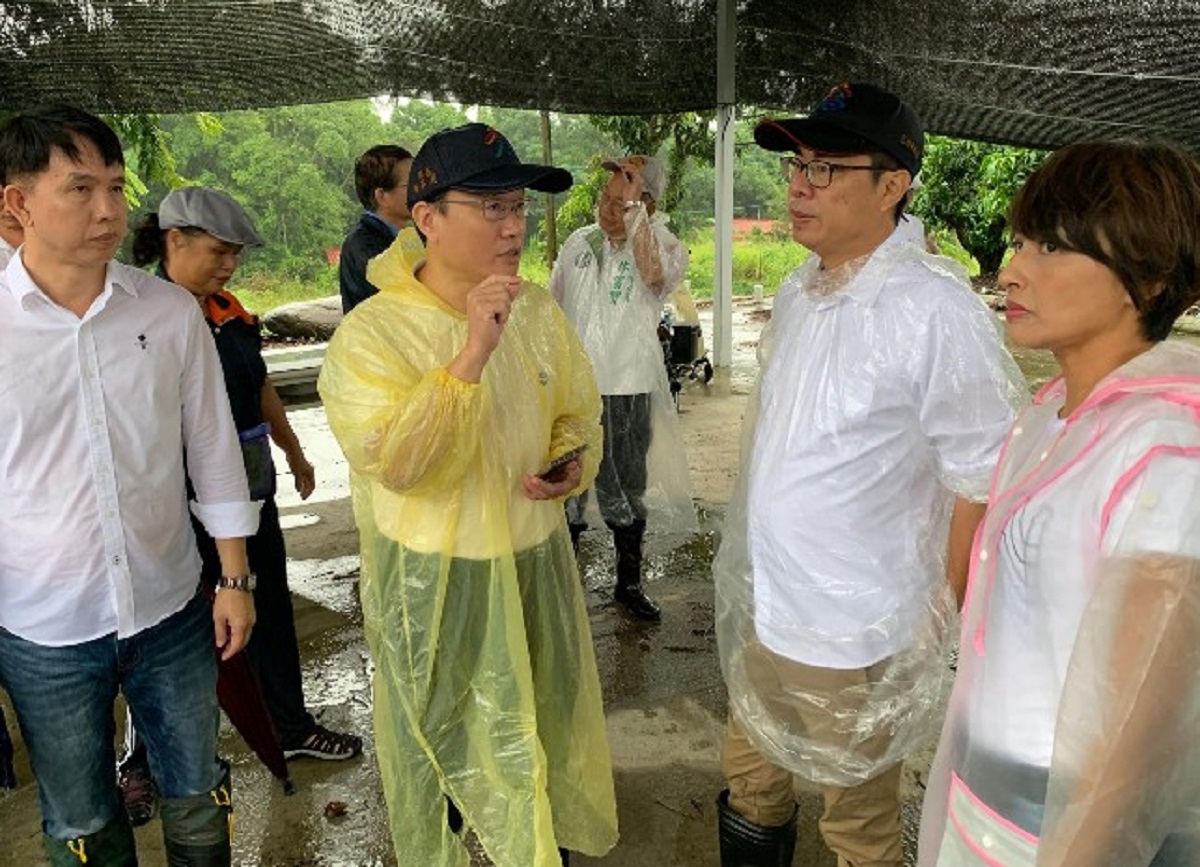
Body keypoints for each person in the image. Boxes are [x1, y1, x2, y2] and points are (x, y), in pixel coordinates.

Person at [712, 82, 1027, 867]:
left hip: (857, 630)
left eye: (825, 169)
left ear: (893, 186)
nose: (799, 185)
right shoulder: (800, 289)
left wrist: (938, 621)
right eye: (797, 167)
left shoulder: (934, 308)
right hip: (771, 603)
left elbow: (982, 476)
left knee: (857, 822)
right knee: (751, 780)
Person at [318, 123, 618, 867]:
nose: (514, 226)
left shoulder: (537, 312)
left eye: (518, 206)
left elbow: (577, 410)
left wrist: (570, 462)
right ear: (427, 218)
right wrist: (473, 353)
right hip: (438, 583)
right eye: (491, 207)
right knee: (445, 753)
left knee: (538, 739)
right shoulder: (374, 334)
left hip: (533, 566)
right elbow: (398, 462)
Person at [918, 141, 1200, 867]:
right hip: (983, 796)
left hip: (1061, 828)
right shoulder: (1049, 418)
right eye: (1020, 242)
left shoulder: (1168, 452)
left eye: (1051, 247)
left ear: (1148, 278)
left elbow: (1138, 726)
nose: (1013, 270)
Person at [0, 106, 258, 866]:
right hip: (43, 628)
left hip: (170, 610)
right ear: (16, 202)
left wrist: (234, 578)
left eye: (115, 186)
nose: (109, 210)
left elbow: (212, 448)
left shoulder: (168, 312)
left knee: (199, 795)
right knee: (79, 819)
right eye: (79, 188)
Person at [115, 185, 363, 823]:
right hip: (177, 504)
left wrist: (294, 451)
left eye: (236, 255)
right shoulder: (139, 317)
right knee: (168, 633)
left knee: (268, 609)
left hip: (250, 493)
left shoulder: (229, 313)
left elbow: (261, 389)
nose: (229, 265)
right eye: (219, 251)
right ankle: (139, 764)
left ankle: (290, 726)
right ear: (174, 241)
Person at [548, 154, 696, 622]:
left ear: (647, 205)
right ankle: (561, 584)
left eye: (624, 201)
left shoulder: (665, 245)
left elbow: (655, 278)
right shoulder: (579, 242)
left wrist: (635, 221)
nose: (608, 209)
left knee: (626, 487)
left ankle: (628, 583)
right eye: (606, 198)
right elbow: (554, 305)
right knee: (567, 484)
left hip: (628, 387)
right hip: (574, 391)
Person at [339, 144, 421, 313]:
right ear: (382, 196)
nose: (420, 190)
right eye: (411, 185)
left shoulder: (408, 237)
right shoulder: (364, 245)